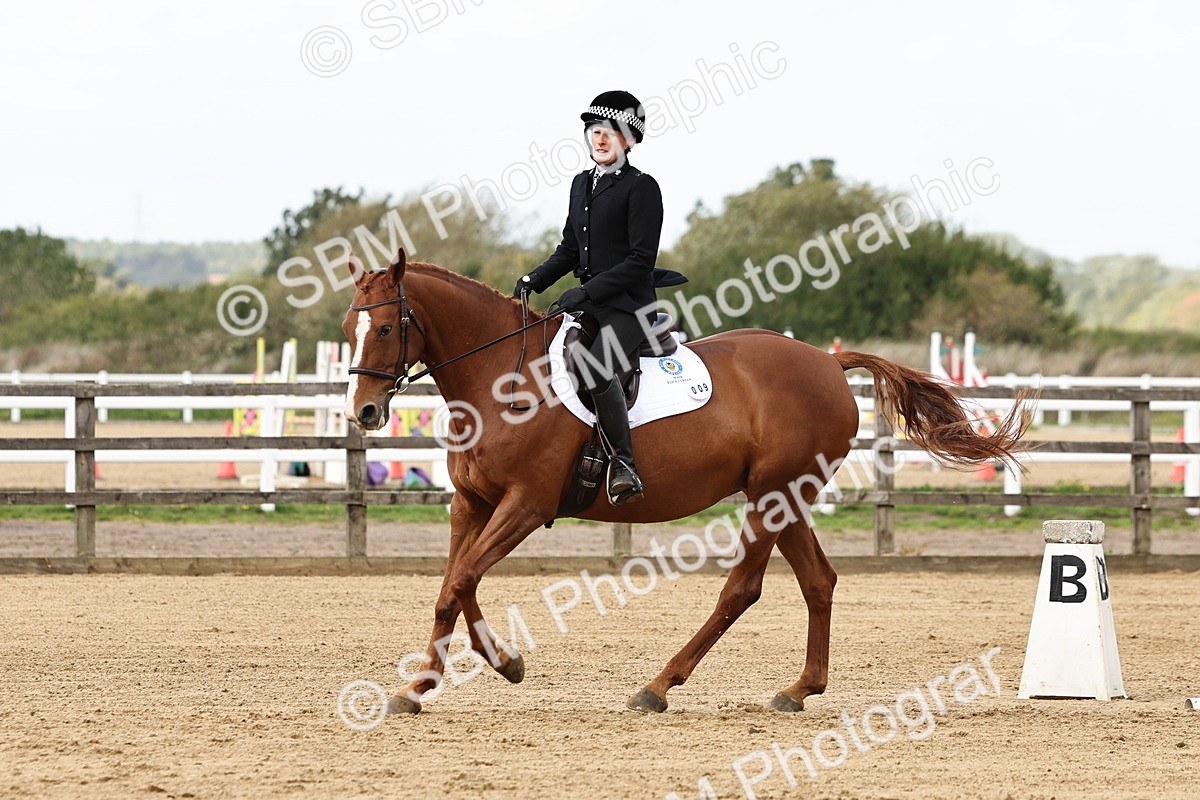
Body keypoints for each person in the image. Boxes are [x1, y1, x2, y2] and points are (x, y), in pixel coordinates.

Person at [513, 90, 683, 505]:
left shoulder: (642, 188)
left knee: (595, 368)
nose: (600, 138)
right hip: (590, 303)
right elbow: (570, 249)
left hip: (629, 305)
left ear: (629, 140)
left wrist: (586, 290)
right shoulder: (580, 185)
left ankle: (624, 464)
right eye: (594, 130)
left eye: (610, 131)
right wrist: (534, 279)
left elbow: (641, 260)